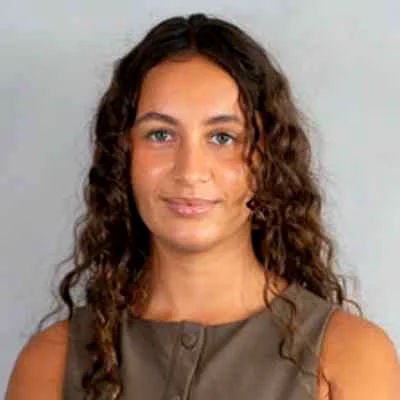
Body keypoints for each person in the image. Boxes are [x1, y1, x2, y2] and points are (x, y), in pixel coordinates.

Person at [6, 13, 399, 400]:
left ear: (266, 158)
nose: (190, 171)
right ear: (122, 155)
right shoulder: (51, 363)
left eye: (223, 137)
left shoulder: (349, 358)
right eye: (160, 134)